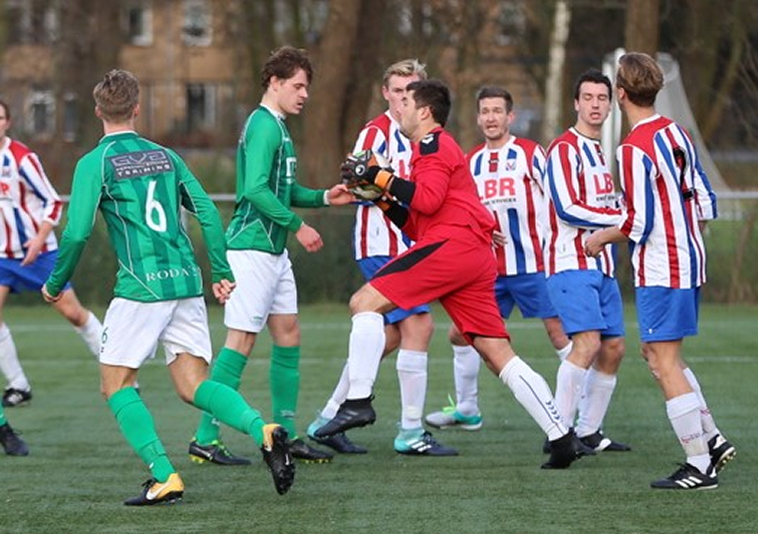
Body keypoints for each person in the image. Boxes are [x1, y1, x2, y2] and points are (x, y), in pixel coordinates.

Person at [42, 69, 297, 504]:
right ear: (138, 108)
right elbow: (208, 213)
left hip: (141, 287)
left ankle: (164, 474)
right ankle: (263, 429)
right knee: (193, 385)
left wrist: (55, 282)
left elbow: (77, 232)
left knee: (116, 385)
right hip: (185, 283)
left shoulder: (94, 163)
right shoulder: (167, 157)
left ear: (98, 110)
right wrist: (220, 270)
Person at [315, 79, 586, 469]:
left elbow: (426, 199)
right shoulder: (428, 151)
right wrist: (382, 198)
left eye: (406, 103)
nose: (401, 110)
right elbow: (417, 222)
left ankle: (357, 402)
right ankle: (562, 436)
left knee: (363, 303)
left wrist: (381, 178)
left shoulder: (433, 144)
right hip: (469, 253)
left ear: (425, 112)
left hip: (454, 248)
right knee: (497, 353)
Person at [188, 46, 353, 466]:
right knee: (241, 341)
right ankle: (206, 437)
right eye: (297, 86)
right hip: (250, 249)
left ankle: (289, 432)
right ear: (275, 83)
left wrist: (322, 198)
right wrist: (299, 226)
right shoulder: (263, 126)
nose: (304, 95)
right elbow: (254, 191)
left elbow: (280, 189)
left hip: (272, 253)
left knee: (288, 333)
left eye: (307, 87)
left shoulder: (277, 125)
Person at [586, 52, 736, 489]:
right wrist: (688, 233)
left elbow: (639, 222)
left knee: (664, 362)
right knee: (655, 355)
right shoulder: (677, 132)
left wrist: (600, 237)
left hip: (664, 265)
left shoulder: (632, 148)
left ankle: (699, 464)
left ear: (620, 94)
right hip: (688, 259)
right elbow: (706, 196)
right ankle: (713, 440)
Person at [305, 59, 456, 457]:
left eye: (413, 89)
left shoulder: (425, 134)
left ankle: (326, 419)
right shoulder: (376, 132)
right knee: (420, 326)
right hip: (382, 243)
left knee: (388, 338)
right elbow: (354, 181)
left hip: (412, 244)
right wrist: (380, 188)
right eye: (398, 89)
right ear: (385, 93)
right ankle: (410, 432)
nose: (405, 96)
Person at [425, 86, 573, 433]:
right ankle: (467, 409)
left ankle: (574, 417)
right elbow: (462, 206)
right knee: (461, 335)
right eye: (485, 111)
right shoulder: (470, 161)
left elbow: (557, 199)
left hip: (533, 264)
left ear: (510, 117)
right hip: (488, 269)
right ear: (478, 118)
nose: (490, 117)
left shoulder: (530, 154)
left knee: (560, 335)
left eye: (497, 111)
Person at [542, 70, 630, 452]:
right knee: (587, 344)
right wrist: (624, 220)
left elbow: (610, 206)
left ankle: (589, 431)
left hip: (602, 267)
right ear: (575, 103)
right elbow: (567, 208)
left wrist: (625, 212)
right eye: (588, 97)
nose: (595, 104)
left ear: (610, 106)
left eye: (602, 98)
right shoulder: (564, 148)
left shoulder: (599, 153)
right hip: (569, 263)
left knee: (613, 349)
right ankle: (558, 435)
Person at [0, 99, 102, 408]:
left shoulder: (21, 158)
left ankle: (121, 372)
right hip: (3, 256)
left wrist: (38, 239)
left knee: (73, 313)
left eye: (0, 117)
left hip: (39, 252)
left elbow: (53, 202)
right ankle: (18, 384)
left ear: (8, 122)